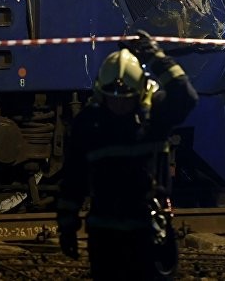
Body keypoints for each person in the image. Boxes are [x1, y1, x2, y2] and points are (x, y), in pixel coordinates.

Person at [56, 30, 198, 280]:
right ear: (101, 93)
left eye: (126, 98)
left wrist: (155, 57)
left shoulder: (156, 117)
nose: (120, 104)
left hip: (148, 230)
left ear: (141, 92)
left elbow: (185, 95)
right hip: (105, 236)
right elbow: (74, 178)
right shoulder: (89, 124)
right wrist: (67, 224)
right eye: (113, 99)